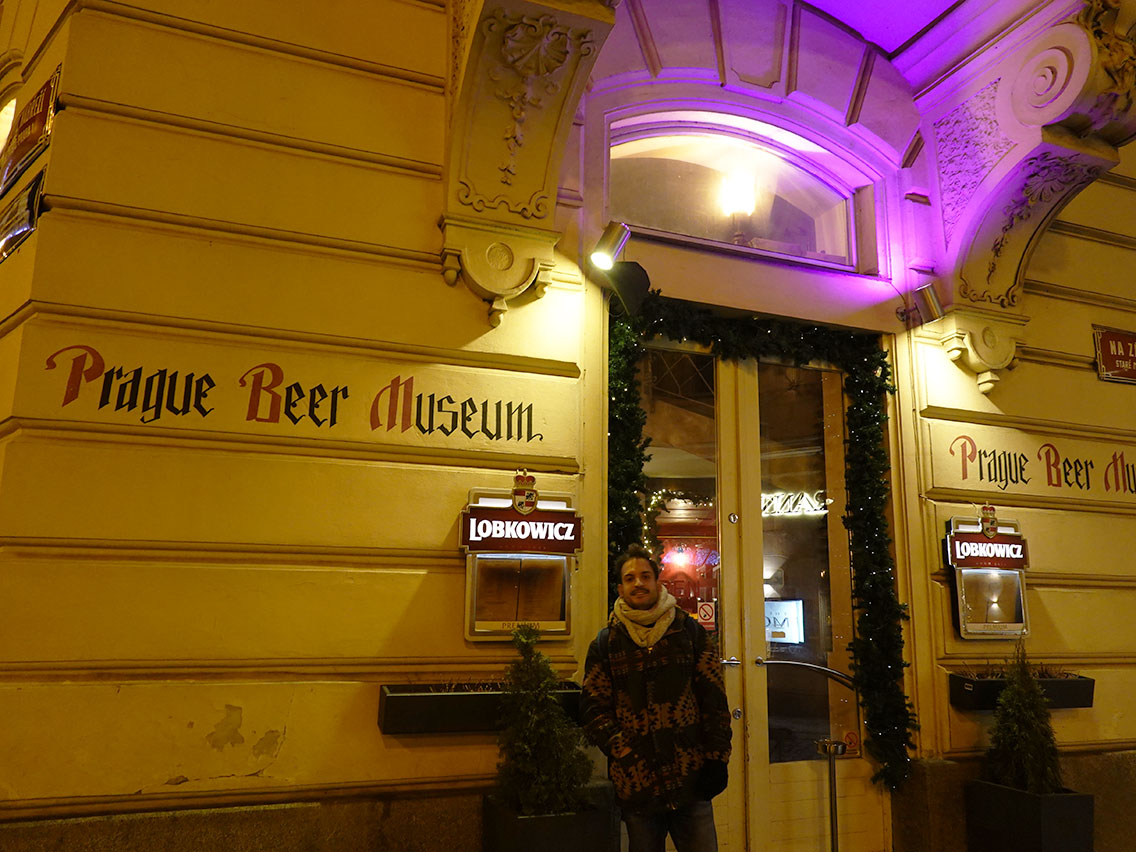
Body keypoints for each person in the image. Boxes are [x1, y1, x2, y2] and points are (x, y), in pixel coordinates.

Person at [581, 544, 732, 852]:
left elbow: (713, 698)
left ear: (657, 582)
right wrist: (624, 753)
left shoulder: (688, 632)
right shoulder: (606, 643)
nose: (639, 583)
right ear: (620, 588)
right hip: (638, 787)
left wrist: (717, 759)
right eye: (630, 578)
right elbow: (593, 708)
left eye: (645, 576)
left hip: (691, 779)